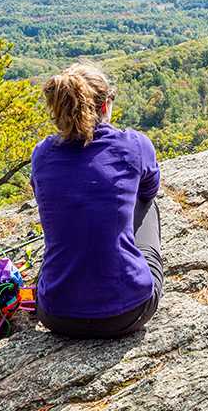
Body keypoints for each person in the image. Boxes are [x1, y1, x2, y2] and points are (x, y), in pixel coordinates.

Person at [30, 63, 163, 338]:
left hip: (57, 314)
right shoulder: (134, 145)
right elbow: (149, 190)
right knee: (147, 204)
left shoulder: (42, 154)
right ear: (105, 106)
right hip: (129, 311)